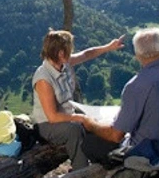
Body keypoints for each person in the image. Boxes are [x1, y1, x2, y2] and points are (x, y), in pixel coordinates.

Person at [32, 30, 124, 170]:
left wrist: (108, 47)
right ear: (61, 53)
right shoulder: (43, 79)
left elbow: (87, 54)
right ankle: (81, 169)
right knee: (75, 129)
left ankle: (109, 158)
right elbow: (52, 117)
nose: (71, 52)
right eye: (69, 50)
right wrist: (80, 118)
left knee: (95, 121)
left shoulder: (64, 63)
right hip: (47, 125)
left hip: (67, 115)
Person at [91, 27, 159, 149]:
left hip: (146, 153)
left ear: (137, 55)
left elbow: (115, 135)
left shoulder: (136, 85)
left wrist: (88, 122)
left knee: (90, 141)